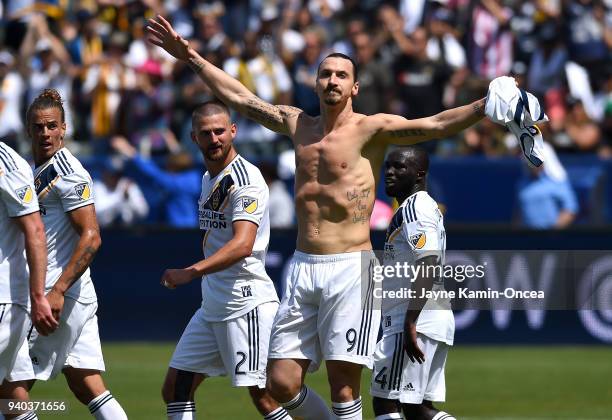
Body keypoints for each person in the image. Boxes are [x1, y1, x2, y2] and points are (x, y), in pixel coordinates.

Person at [148, 15, 487, 420]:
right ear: (315, 82)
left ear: (354, 87)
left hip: (351, 268)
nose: (332, 81)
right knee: (280, 382)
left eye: (341, 75)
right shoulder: (298, 124)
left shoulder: (372, 129)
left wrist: (485, 105)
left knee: (344, 386)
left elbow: (435, 124)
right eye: (325, 74)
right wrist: (189, 56)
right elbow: (239, 98)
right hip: (304, 266)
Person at [159, 101, 289, 420]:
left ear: (233, 131)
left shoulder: (245, 178)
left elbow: (242, 244)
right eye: (206, 133)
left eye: (220, 131)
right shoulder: (209, 177)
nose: (214, 139)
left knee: (265, 397)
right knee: (175, 388)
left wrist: (191, 272)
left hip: (246, 302)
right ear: (194, 137)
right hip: (214, 302)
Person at [13, 89, 128, 419]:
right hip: (75, 295)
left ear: (64, 128)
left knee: (9, 385)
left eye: (52, 126)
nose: (45, 133)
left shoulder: (68, 172)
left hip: (54, 296)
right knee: (86, 384)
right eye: (38, 127)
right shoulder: (34, 169)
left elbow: (91, 238)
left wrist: (57, 291)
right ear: (28, 129)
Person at [371, 146, 455, 420]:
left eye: (399, 167)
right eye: (388, 167)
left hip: (416, 317)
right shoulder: (418, 207)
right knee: (416, 407)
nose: (390, 172)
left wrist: (410, 322)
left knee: (390, 403)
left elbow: (428, 264)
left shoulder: (415, 208)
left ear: (419, 174)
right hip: (426, 316)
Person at [0, 141, 57, 420]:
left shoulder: (6, 163)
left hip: (4, 300)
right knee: (12, 397)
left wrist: (38, 298)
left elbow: (35, 229)